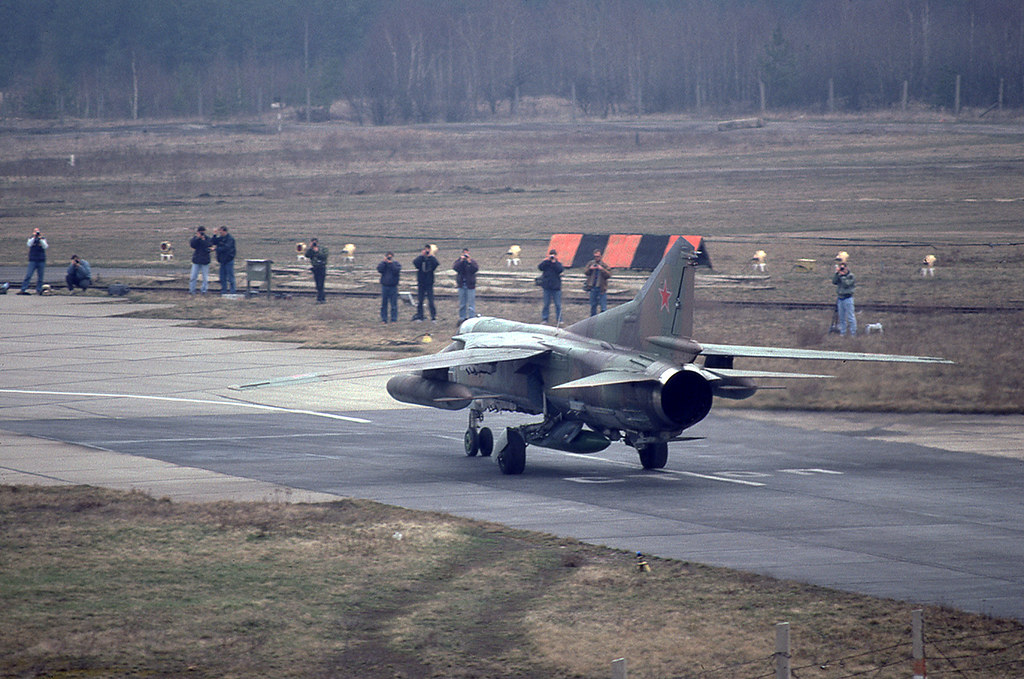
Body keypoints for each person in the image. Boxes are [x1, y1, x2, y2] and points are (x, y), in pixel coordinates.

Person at [411, 244, 439, 322]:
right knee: (420, 300)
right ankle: (420, 316)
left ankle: (433, 317)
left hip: (429, 282)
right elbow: (415, 263)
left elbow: (436, 264)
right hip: (421, 282)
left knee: (431, 301)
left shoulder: (432, 259)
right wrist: (421, 256)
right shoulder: (421, 259)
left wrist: (431, 256)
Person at [452, 247, 479, 323]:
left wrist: (469, 261)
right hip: (461, 285)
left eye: (466, 253)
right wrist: (461, 261)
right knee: (462, 304)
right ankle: (462, 318)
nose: (465, 255)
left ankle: (471, 319)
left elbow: (475, 269)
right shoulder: (459, 261)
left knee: (471, 304)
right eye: (464, 253)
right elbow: (455, 268)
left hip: (470, 285)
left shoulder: (472, 262)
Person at [537, 248, 564, 325]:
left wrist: (554, 262)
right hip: (547, 287)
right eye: (551, 255)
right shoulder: (546, 263)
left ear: (556, 256)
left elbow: (560, 270)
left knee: (558, 304)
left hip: (556, 288)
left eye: (553, 255)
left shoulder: (558, 264)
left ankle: (559, 319)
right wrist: (546, 261)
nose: (552, 257)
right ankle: (545, 319)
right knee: (546, 304)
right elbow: (540, 267)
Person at [18, 228, 48, 295]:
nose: (36, 233)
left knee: (40, 277)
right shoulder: (31, 238)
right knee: (28, 275)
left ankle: (39, 290)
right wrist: (34, 237)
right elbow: (29, 244)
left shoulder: (43, 239)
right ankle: (23, 289)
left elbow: (45, 246)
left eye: (37, 232)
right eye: (35, 232)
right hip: (33, 260)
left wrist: (40, 239)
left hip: (41, 260)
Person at [584, 249, 612, 316]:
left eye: (598, 256)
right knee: (593, 306)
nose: (597, 258)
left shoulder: (604, 265)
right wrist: (590, 269)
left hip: (601, 288)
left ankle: (603, 319)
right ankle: (592, 320)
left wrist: (602, 269)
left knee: (603, 307)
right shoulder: (591, 264)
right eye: (595, 256)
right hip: (593, 288)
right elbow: (585, 272)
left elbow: (609, 275)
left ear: (601, 256)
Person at [832, 260, 857, 336]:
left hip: (848, 298)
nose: (843, 269)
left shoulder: (851, 276)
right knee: (842, 318)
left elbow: (847, 284)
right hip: (840, 298)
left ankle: (853, 333)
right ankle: (843, 333)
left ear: (847, 268)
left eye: (844, 268)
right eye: (841, 267)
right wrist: (837, 273)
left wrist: (843, 276)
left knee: (850, 317)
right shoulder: (839, 275)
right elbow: (834, 281)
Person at [211, 226, 237, 295]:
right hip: (222, 261)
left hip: (229, 260)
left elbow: (226, 248)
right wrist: (214, 234)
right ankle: (224, 291)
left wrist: (216, 249)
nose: (220, 233)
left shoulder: (230, 239)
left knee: (230, 277)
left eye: (221, 232)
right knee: (222, 277)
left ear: (225, 231)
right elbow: (214, 242)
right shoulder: (221, 238)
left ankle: (233, 291)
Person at [377, 251, 401, 323]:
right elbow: (379, 269)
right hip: (385, 286)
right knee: (384, 304)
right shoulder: (383, 264)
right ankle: (384, 319)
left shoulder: (396, 264)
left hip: (393, 286)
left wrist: (391, 264)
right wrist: (384, 262)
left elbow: (396, 271)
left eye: (390, 257)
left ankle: (394, 319)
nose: (389, 258)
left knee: (394, 304)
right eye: (388, 257)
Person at [189, 226, 213, 295]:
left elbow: (209, 246)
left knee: (205, 277)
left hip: (205, 260)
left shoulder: (208, 238)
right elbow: (193, 245)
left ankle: (204, 290)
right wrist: (198, 238)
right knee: (193, 277)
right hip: (196, 260)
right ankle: (192, 290)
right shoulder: (195, 238)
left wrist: (203, 240)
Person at [306, 237, 328, 303]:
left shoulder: (323, 249)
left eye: (315, 242)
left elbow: (324, 256)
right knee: (317, 284)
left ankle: (321, 298)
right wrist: (311, 249)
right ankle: (321, 298)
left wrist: (317, 251)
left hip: (321, 267)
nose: (314, 244)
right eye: (313, 242)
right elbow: (307, 255)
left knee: (321, 283)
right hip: (315, 268)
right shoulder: (311, 249)